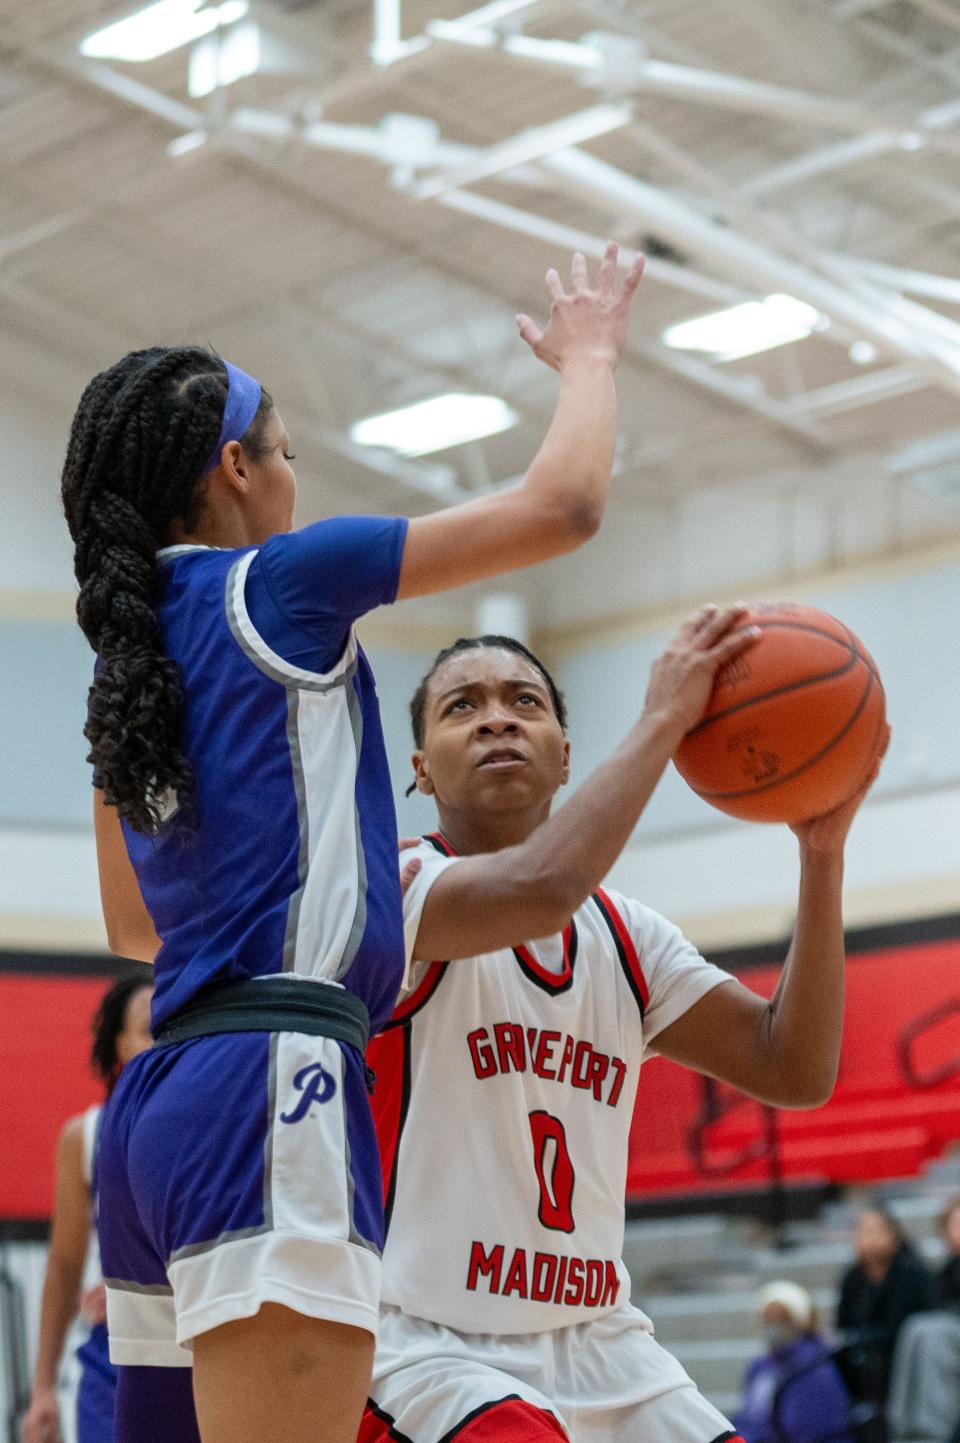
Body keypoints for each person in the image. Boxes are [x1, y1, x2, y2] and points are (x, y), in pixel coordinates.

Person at [59, 244, 645, 1443]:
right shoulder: (280, 582)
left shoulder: (132, 658)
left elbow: (136, 928)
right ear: (234, 466)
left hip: (158, 1113)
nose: (291, 473)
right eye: (281, 449)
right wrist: (589, 359)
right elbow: (566, 506)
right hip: (276, 1087)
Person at [362, 623, 888, 1442]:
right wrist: (663, 720)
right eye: (463, 705)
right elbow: (540, 888)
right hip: (435, 1348)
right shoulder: (400, 888)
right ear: (422, 768)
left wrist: (821, 859)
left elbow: (795, 1065)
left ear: (565, 755)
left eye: (523, 700)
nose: (497, 718)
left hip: (604, 1346)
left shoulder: (626, 935)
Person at [22, 969, 153, 1443]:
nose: (163, 1046)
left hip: (194, 1348)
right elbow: (65, 1265)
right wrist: (42, 1389)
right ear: (119, 1045)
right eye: (148, 1032)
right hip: (111, 1357)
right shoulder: (87, 1135)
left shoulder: (212, 1128)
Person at [836, 1206, 935, 1425]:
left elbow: (902, 1326)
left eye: (875, 1231)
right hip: (863, 1360)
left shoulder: (911, 1273)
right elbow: (842, 1323)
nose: (868, 1239)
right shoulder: (853, 1278)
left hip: (906, 1357)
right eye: (863, 1232)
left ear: (893, 1235)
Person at [734, 1281, 853, 1443]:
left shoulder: (817, 1365)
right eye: (768, 1319)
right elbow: (748, 1418)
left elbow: (819, 1429)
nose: (773, 1326)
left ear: (799, 1319)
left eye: (781, 1318)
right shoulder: (759, 1367)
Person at [887, 1197, 960, 1442]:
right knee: (915, 1327)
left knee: (933, 1333)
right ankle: (904, 1425)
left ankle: (933, 1430)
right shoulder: (949, 1270)